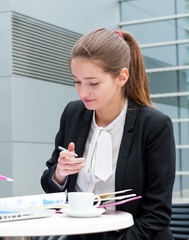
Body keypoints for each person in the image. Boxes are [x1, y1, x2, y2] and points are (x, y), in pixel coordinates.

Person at [41, 28, 175, 239]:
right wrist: (60, 173)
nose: (83, 92)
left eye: (93, 83)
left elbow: (156, 215)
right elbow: (51, 187)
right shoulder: (73, 113)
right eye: (77, 81)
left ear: (121, 77)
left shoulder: (154, 126)